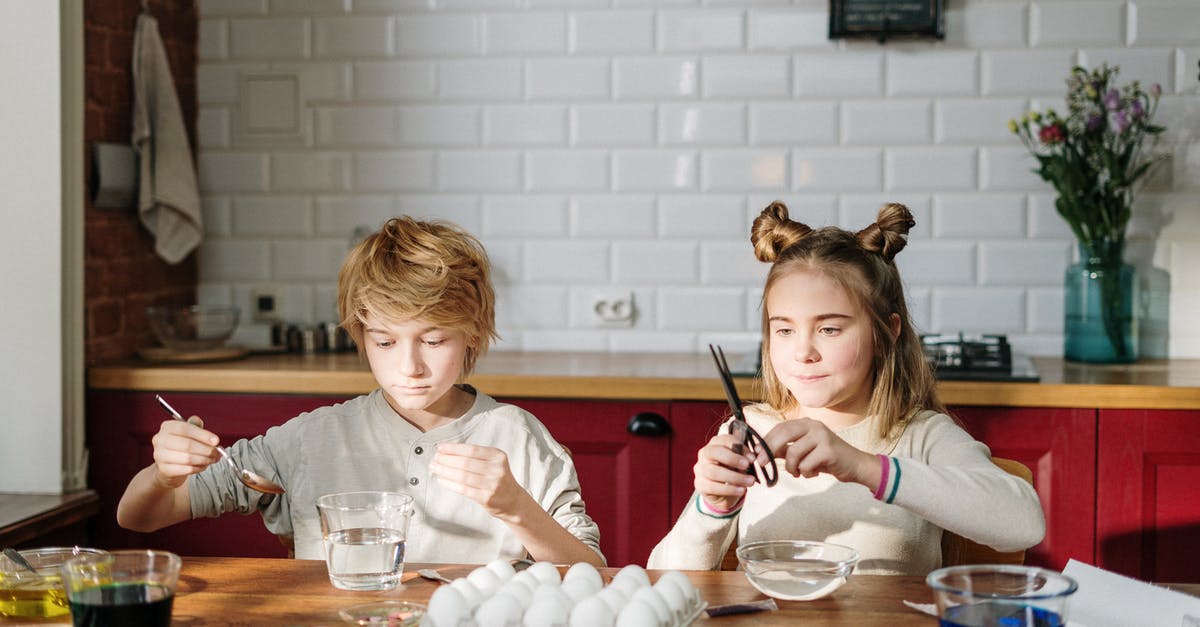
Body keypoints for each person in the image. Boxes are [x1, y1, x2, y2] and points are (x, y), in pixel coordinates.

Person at [117, 216, 605, 566]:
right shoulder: (311, 439)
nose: (409, 366)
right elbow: (138, 518)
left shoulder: (516, 437)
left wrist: (515, 507)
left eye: (433, 340)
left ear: (473, 333)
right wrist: (163, 477)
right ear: (359, 334)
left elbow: (592, 574)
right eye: (385, 341)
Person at [647, 201, 1044, 575]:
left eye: (829, 329)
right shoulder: (751, 431)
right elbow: (662, 578)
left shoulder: (921, 437)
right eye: (784, 329)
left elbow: (1024, 524)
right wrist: (712, 508)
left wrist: (862, 466)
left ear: (886, 332)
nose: (803, 352)